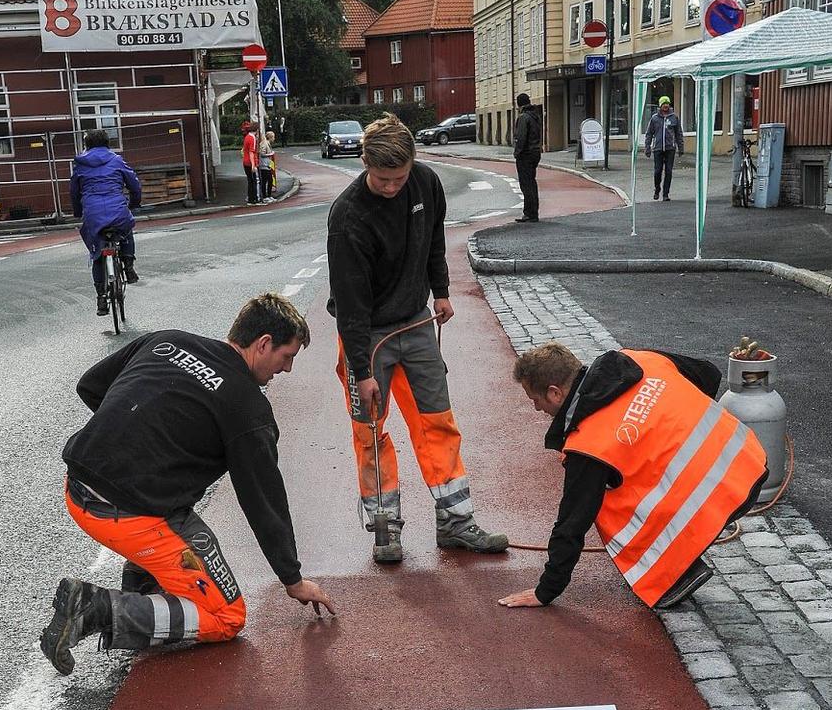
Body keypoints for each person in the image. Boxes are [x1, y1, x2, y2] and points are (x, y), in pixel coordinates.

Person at [39, 294, 334, 675]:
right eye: (287, 356)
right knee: (227, 616)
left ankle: (142, 587)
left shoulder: (168, 340)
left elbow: (91, 385)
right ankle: (94, 608)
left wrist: (139, 442)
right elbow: (263, 501)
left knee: (172, 509)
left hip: (76, 487)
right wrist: (292, 579)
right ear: (263, 344)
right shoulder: (247, 408)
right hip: (128, 515)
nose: (288, 368)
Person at [327, 113, 508, 565]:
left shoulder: (425, 184)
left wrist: (441, 291)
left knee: (437, 420)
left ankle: (455, 522)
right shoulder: (348, 217)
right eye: (383, 179)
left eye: (399, 178)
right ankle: (385, 527)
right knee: (370, 432)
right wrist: (362, 371)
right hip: (367, 336)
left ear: (413, 164)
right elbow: (350, 306)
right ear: (366, 165)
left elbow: (433, 242)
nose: (392, 187)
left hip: (417, 324)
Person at [499, 342, 767, 613]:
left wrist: (545, 591)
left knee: (606, 503)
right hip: (746, 461)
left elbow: (572, 523)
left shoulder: (590, 444)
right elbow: (708, 373)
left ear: (555, 393)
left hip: (711, 493)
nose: (535, 408)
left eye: (535, 399)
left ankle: (672, 575)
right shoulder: (641, 360)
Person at [70, 129, 141, 317]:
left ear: (87, 144)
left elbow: (74, 192)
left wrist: (78, 212)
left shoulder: (79, 164)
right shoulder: (116, 160)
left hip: (93, 214)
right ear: (107, 142)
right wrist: (134, 203)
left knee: (97, 252)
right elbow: (134, 184)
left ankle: (101, 297)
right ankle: (128, 265)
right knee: (127, 228)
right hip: (117, 210)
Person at [643, 95, 684, 201]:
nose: (665, 106)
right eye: (663, 104)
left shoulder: (674, 117)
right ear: (660, 106)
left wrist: (681, 147)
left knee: (669, 171)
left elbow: (679, 133)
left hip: (670, 148)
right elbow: (649, 134)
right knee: (658, 171)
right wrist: (647, 147)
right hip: (658, 149)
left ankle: (666, 194)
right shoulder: (654, 118)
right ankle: (657, 189)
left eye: (667, 103)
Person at [513, 93, 542, 223]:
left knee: (526, 184)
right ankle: (533, 212)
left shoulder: (523, 118)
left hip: (526, 154)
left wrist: (517, 153)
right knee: (532, 182)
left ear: (519, 104)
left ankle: (529, 213)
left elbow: (521, 138)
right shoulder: (535, 116)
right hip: (535, 152)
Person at [242, 121, 260, 204]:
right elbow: (251, 152)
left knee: (250, 181)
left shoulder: (247, 137)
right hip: (250, 162)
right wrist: (253, 165)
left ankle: (250, 198)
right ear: (256, 130)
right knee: (254, 181)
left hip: (245, 162)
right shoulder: (252, 138)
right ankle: (254, 198)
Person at [259, 130, 276, 202]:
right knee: (265, 181)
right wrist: (270, 154)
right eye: (273, 137)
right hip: (264, 165)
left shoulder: (267, 143)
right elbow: (261, 154)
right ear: (270, 137)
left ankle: (268, 195)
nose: (274, 139)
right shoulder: (264, 144)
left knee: (270, 180)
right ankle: (265, 196)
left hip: (267, 165)